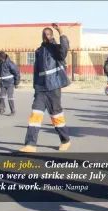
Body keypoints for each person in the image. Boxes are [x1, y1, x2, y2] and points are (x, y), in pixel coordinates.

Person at [20, 23, 72, 153]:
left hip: (53, 87)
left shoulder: (55, 49)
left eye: (48, 34)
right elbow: (36, 72)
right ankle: (30, 144)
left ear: (51, 35)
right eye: (44, 34)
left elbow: (64, 50)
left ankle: (65, 140)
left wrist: (61, 32)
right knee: (35, 115)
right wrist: (36, 88)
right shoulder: (39, 50)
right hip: (41, 89)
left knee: (56, 116)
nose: (46, 36)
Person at [0, 51, 20, 116]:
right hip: (2, 83)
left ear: (2, 57)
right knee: (1, 97)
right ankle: (2, 110)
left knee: (10, 97)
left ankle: (13, 111)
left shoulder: (10, 63)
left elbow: (17, 73)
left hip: (10, 83)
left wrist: (16, 83)